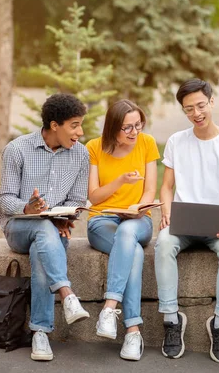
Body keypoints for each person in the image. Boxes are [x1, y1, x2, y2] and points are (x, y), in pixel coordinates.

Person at [155, 78, 219, 364]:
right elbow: (166, 186)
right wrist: (166, 214)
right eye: (189, 109)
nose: (196, 113)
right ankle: (171, 319)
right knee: (163, 243)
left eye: (201, 105)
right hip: (183, 222)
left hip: (217, 225)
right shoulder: (176, 141)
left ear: (211, 102)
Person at [0, 93, 91, 362]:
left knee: (44, 239)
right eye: (74, 125)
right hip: (18, 227)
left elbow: (76, 200)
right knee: (40, 228)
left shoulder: (81, 155)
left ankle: (40, 334)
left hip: (52, 231)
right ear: (54, 125)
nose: (80, 132)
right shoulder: (17, 149)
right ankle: (67, 294)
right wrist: (28, 209)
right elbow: (4, 199)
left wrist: (64, 216)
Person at [86, 99, 160, 361]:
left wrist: (139, 206)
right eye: (127, 127)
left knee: (128, 232)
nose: (134, 132)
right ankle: (132, 331)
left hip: (138, 219)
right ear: (113, 128)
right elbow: (94, 198)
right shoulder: (94, 147)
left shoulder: (147, 143)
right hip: (102, 221)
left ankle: (109, 308)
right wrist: (120, 181)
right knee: (135, 254)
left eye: (137, 125)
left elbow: (151, 189)